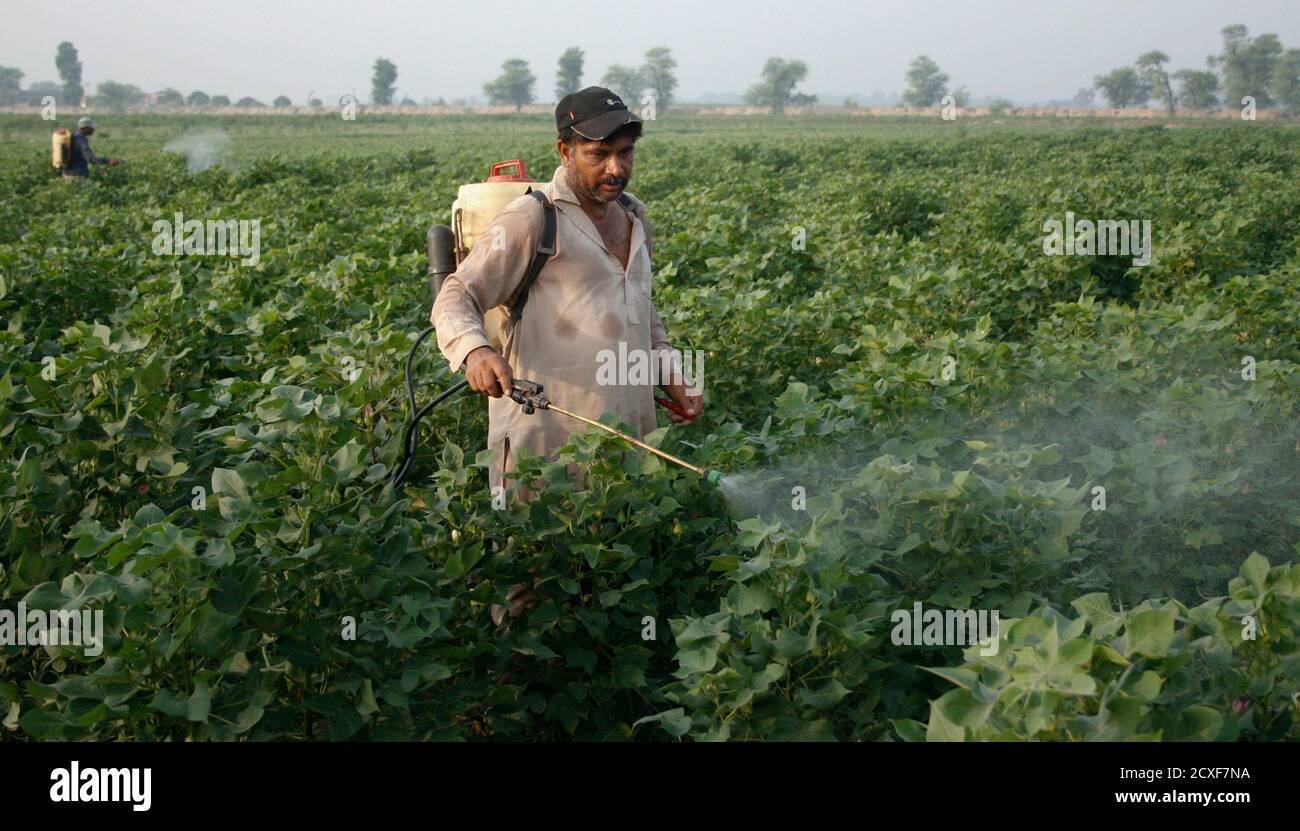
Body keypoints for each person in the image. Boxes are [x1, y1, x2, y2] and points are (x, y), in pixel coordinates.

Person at [430, 86, 702, 623]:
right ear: (565, 152)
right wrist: (476, 351)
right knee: (532, 582)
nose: (615, 168)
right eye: (598, 154)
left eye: (624, 153)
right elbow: (457, 296)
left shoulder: (634, 219)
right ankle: (520, 689)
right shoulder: (533, 220)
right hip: (545, 441)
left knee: (613, 579)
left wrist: (670, 369)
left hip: (625, 437)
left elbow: (641, 312)